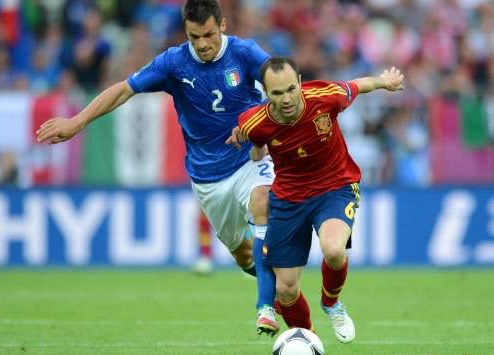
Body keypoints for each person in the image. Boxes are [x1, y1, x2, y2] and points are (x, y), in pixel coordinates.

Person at [36, 0, 279, 335]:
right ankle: (273, 282)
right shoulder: (174, 62)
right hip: (208, 178)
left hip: (250, 161)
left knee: (263, 201)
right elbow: (124, 90)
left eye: (209, 34)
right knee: (242, 254)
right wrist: (78, 122)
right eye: (195, 37)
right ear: (186, 32)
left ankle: (266, 307)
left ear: (222, 25)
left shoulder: (245, 53)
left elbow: (285, 83)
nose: (203, 44)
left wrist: (259, 123)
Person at [227, 57, 404, 343]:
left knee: (334, 250)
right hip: (288, 198)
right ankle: (308, 338)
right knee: (285, 290)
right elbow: (256, 141)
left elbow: (358, 85)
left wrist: (385, 81)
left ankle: (331, 303)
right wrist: (255, 151)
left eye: (290, 89)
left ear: (299, 83)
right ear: (266, 94)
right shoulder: (254, 122)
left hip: (335, 187)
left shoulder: (325, 96)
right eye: (276, 93)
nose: (286, 99)